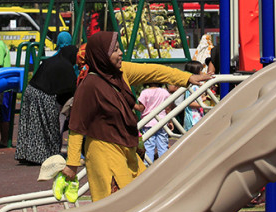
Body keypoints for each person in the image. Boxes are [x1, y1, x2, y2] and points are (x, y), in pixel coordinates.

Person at [60, 31, 213, 200]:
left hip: (126, 147)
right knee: (120, 200)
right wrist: (72, 165)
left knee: (145, 191)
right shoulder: (89, 85)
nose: (120, 53)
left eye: (119, 49)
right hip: (104, 151)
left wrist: (187, 77)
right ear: (102, 55)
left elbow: (154, 71)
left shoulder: (120, 73)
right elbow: (76, 127)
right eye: (115, 50)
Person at [14, 45, 78, 164]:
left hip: (31, 91)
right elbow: (70, 88)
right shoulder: (66, 66)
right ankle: (47, 155)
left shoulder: (52, 60)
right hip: (44, 95)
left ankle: (26, 154)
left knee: (31, 125)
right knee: (49, 125)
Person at [139, 83, 174, 164]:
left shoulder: (144, 92)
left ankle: (147, 166)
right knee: (162, 146)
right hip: (161, 122)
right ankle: (164, 165)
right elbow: (168, 108)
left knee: (148, 147)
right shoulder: (164, 92)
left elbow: (141, 108)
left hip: (148, 122)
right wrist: (170, 121)